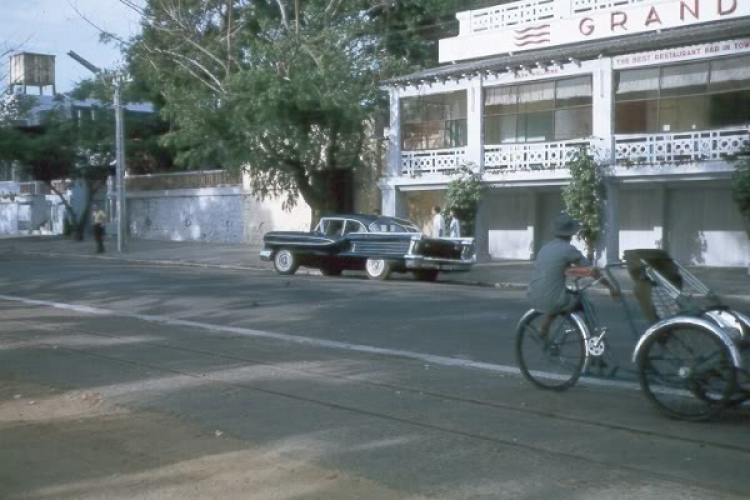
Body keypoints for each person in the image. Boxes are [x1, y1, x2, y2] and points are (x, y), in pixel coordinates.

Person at [527, 212, 620, 338]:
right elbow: (592, 271)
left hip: (533, 294)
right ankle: (591, 338)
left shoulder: (545, 248)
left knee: (557, 294)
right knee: (585, 304)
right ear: (571, 233)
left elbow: (557, 269)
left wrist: (575, 271)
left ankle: (544, 326)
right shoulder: (568, 249)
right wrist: (611, 288)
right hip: (553, 299)